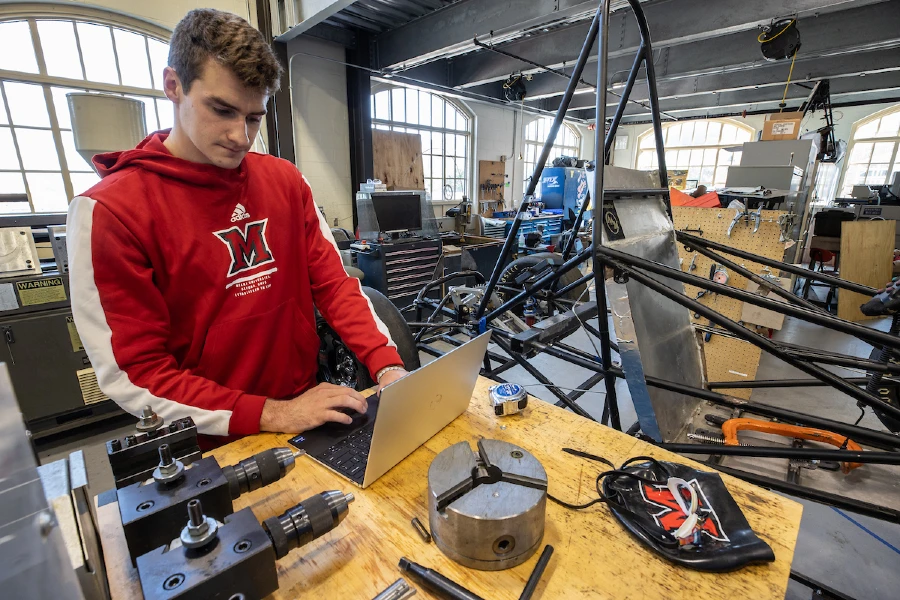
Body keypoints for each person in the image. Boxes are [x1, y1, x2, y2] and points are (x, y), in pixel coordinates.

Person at [67, 9, 408, 444]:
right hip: (215, 438)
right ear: (173, 86)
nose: (240, 136)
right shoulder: (110, 211)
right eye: (222, 110)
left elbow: (334, 285)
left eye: (253, 117)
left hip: (307, 412)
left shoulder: (285, 182)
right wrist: (270, 412)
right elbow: (136, 373)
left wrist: (386, 363)